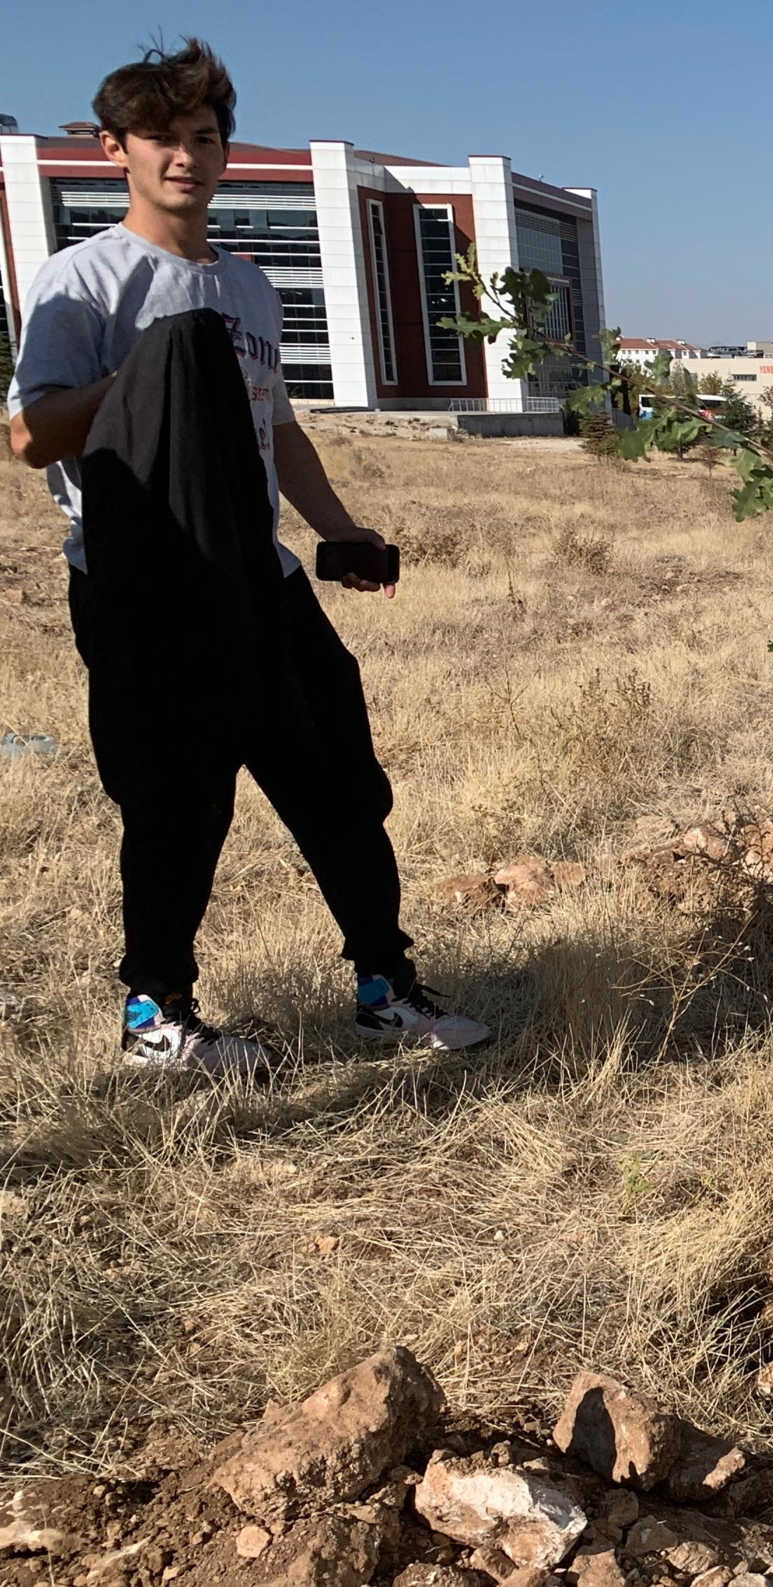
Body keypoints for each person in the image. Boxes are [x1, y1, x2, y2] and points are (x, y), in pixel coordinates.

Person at [5, 40, 489, 1074]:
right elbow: (31, 435)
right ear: (115, 150)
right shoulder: (82, 280)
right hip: (145, 586)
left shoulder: (253, 286)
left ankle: (385, 990)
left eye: (205, 137)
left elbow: (282, 430)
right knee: (178, 805)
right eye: (163, 139)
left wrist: (336, 530)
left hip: (258, 581)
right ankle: (158, 1021)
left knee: (341, 789)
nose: (187, 156)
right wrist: (156, 366)